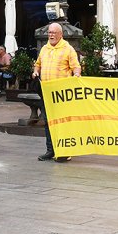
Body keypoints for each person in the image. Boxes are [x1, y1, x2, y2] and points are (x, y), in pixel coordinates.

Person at [33, 22, 80, 162]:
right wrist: (35, 72)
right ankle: (50, 150)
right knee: (48, 121)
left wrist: (76, 75)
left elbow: (76, 67)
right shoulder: (44, 48)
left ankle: (64, 151)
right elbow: (38, 64)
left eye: (54, 32)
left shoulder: (68, 49)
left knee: (62, 122)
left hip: (61, 94)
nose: (51, 35)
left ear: (61, 34)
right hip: (47, 92)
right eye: (49, 32)